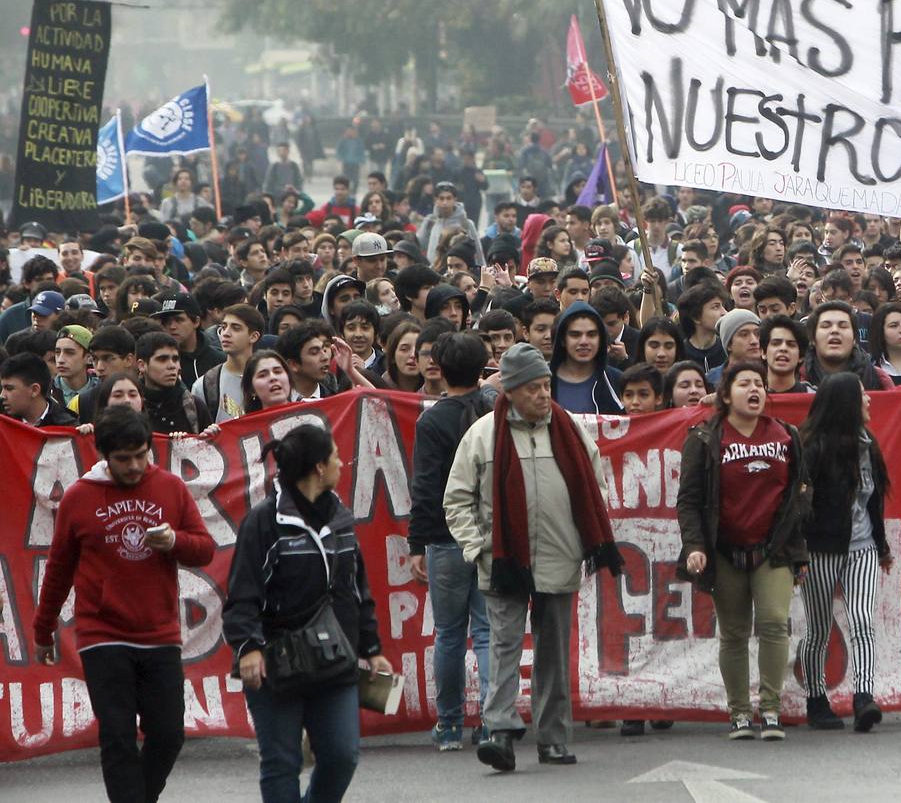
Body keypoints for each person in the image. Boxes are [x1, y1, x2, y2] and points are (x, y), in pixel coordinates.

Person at [443, 344, 622, 772]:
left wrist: (581, 540)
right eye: (533, 388)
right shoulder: (483, 435)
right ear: (511, 390)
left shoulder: (570, 430)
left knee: (553, 652)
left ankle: (553, 738)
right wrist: (478, 547)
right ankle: (500, 733)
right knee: (504, 647)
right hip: (503, 561)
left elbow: (595, 487)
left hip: (560, 557)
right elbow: (457, 500)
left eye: (546, 385)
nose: (544, 395)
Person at [33, 406, 214, 803]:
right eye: (123, 459)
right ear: (103, 455)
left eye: (140, 455)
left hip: (159, 632)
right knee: (117, 737)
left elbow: (204, 549)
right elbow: (59, 569)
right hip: (103, 634)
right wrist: (43, 629)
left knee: (168, 734)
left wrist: (175, 542)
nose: (134, 466)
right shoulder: (79, 496)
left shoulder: (170, 488)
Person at [224, 425, 391, 801]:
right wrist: (248, 647)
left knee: (341, 756)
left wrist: (371, 647)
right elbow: (242, 594)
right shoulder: (264, 522)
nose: (341, 464)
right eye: (336, 457)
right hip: (276, 664)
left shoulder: (340, 517)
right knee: (282, 761)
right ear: (319, 467)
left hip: (335, 658)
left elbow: (356, 588)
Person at [676, 361, 809, 741]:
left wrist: (799, 551)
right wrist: (695, 546)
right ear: (725, 394)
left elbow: (801, 493)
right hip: (724, 549)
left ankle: (770, 708)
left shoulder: (786, 435)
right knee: (733, 632)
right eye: (744, 384)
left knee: (773, 622)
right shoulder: (704, 438)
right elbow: (689, 500)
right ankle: (739, 712)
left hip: (773, 548)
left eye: (760, 384)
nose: (754, 390)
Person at [409, 333, 494, 752]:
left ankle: (449, 724)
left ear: (439, 369)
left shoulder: (432, 421)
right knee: (488, 631)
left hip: (446, 539)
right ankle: (494, 722)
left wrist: (416, 543)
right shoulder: (494, 413)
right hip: (492, 535)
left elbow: (425, 487)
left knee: (448, 633)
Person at [798, 373, 889, 732]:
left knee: (862, 618)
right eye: (863, 395)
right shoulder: (813, 447)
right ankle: (816, 698)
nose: (869, 401)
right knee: (819, 629)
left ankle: (864, 696)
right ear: (846, 403)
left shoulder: (870, 445)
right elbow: (799, 504)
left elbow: (873, 504)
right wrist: (798, 552)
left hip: (862, 547)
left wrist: (881, 545)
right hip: (820, 549)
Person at [549, 301, 623, 414]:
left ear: (600, 339)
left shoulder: (616, 380)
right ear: (562, 340)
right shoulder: (543, 380)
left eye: (591, 335)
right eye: (575, 335)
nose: (584, 342)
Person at [1, 351, 78, 427]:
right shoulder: (3, 426)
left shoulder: (68, 427)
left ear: (34, 390)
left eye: (9, 389)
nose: (2, 396)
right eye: (2, 388)